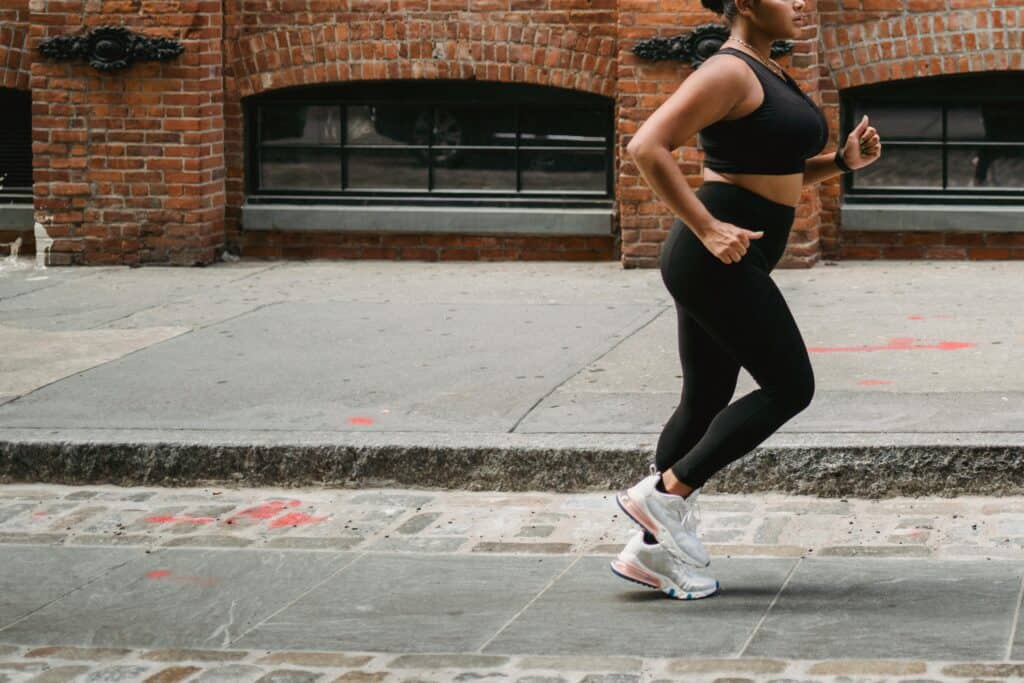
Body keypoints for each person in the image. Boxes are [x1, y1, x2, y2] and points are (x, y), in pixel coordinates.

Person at [609, 0, 883, 600]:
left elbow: (773, 172)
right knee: (791, 386)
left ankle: (652, 556)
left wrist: (839, 163)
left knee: (705, 398)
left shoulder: (767, 68)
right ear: (748, 3)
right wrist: (707, 226)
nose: (799, 3)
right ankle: (663, 496)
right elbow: (647, 147)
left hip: (731, 255)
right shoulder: (728, 70)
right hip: (714, 255)